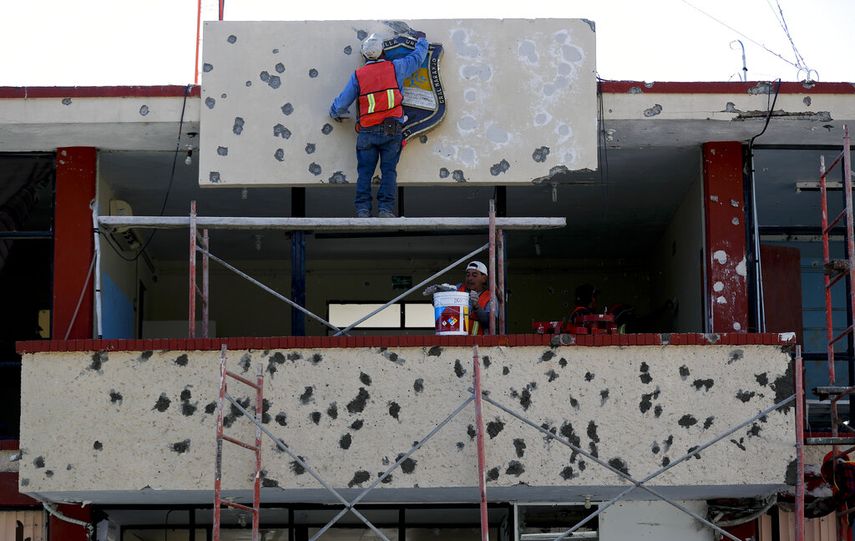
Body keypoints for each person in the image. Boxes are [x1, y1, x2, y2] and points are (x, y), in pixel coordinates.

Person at [330, 31, 429, 218]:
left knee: (365, 173)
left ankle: (362, 210)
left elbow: (342, 102)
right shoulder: (395, 67)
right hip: (392, 131)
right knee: (389, 171)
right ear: (383, 52)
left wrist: (335, 113)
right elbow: (417, 59)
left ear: (365, 55)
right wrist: (422, 40)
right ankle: (385, 210)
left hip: (367, 132)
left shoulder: (359, 75)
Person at [457, 261, 492, 335]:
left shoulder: (490, 297)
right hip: (455, 339)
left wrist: (477, 306)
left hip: (478, 340)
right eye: (468, 275)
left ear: (484, 278)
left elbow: (489, 322)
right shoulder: (458, 288)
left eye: (474, 275)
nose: (470, 278)